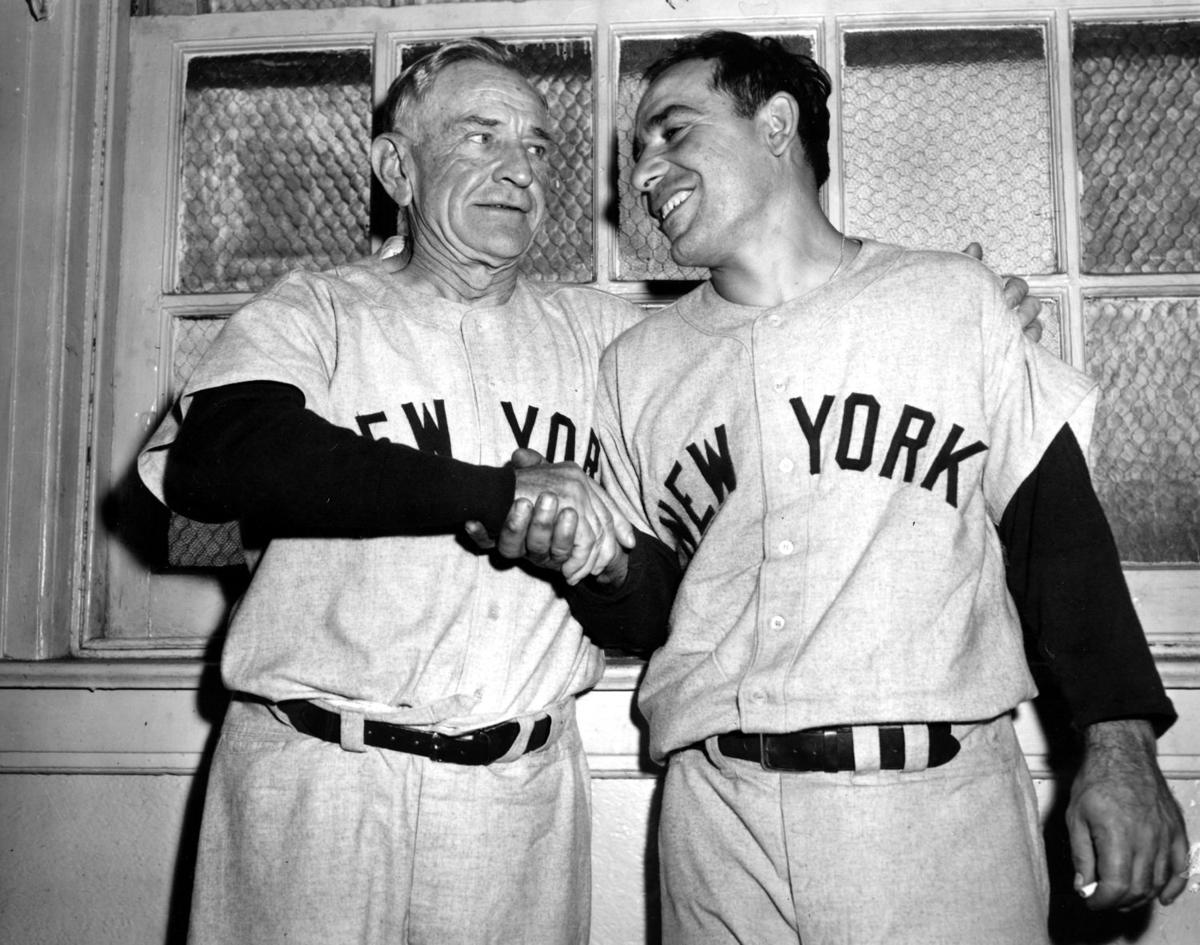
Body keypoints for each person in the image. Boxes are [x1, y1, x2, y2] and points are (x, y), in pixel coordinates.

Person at [486, 31, 1189, 945]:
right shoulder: (636, 365)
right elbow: (651, 613)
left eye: (671, 132)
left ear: (776, 124)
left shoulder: (951, 300)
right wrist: (594, 562)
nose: (643, 177)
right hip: (718, 823)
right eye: (637, 155)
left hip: (935, 815)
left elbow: (1060, 541)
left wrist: (1122, 747)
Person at [137, 38, 676, 945]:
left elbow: (655, 610)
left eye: (539, 146)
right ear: (397, 166)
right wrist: (494, 494)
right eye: (479, 137)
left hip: (517, 801)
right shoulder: (316, 310)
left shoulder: (606, 338)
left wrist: (603, 562)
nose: (519, 169)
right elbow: (216, 458)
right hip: (317, 786)